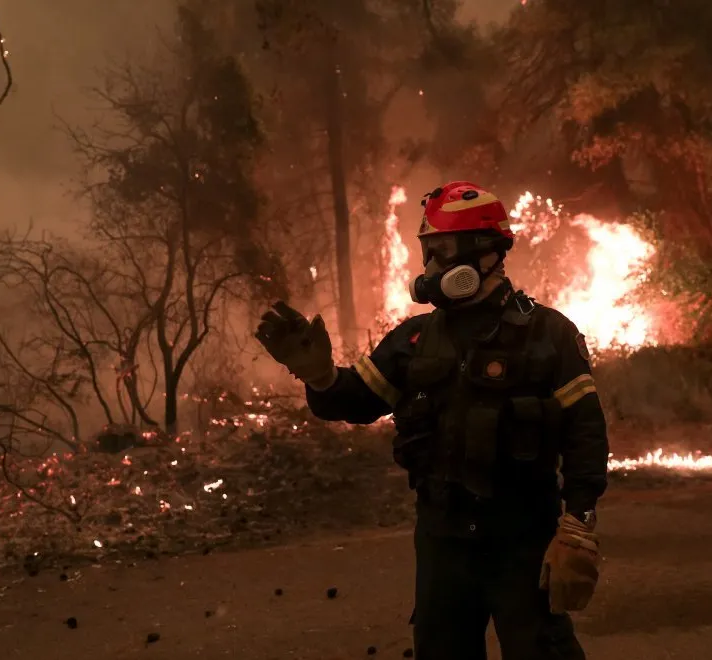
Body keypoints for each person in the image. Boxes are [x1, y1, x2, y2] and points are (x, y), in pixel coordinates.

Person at [256, 181, 608, 659]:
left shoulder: (548, 335)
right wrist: (318, 373)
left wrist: (577, 526)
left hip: (522, 541)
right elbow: (353, 400)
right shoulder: (414, 340)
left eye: (442, 252)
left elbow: (585, 434)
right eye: (428, 253)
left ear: (485, 253)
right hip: (443, 544)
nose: (430, 269)